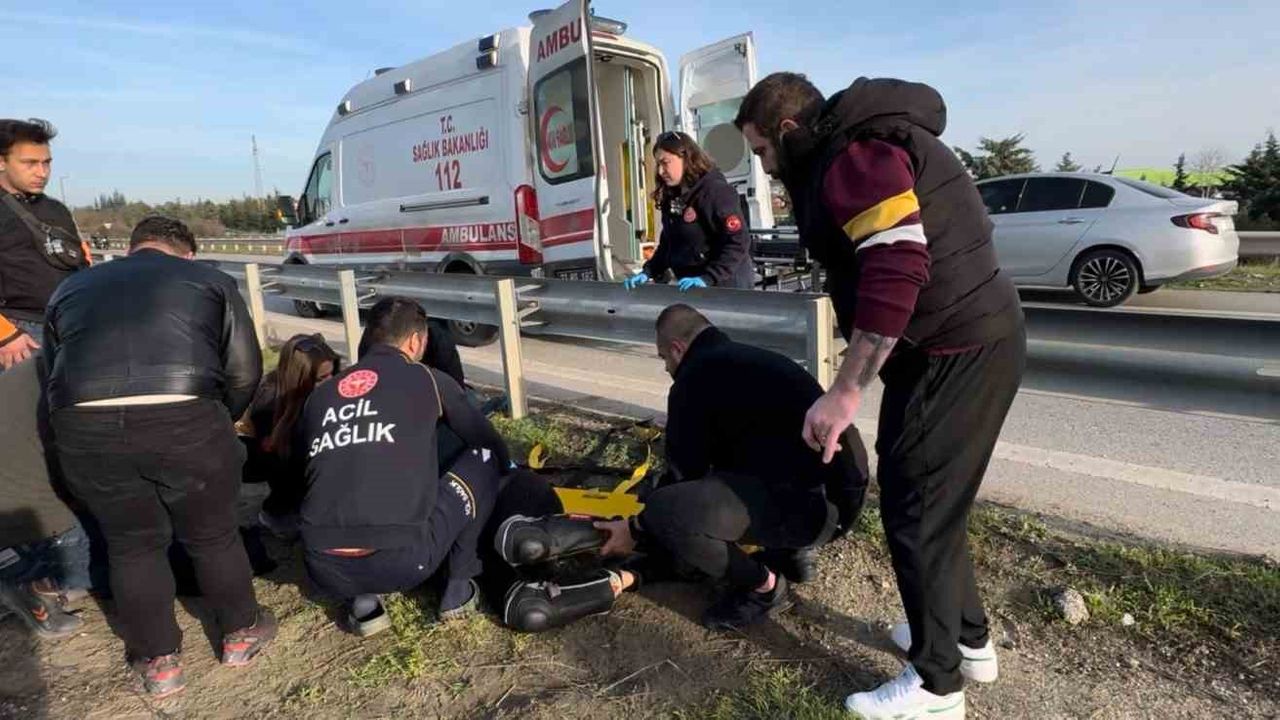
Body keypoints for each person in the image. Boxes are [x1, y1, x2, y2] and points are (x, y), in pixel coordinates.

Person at [735, 74, 1026, 718]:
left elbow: (896, 267)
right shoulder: (866, 141)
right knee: (932, 503)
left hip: (954, 350)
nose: (765, 167)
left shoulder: (857, 157)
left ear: (788, 130)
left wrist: (845, 392)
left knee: (915, 510)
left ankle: (937, 685)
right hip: (967, 341)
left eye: (762, 151)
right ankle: (966, 640)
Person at [503, 304, 869, 631]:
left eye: (664, 358)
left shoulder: (694, 379)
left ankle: (764, 587)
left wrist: (636, 528)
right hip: (841, 499)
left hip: (809, 511)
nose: (666, 367)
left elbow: (683, 483)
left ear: (678, 348)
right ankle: (790, 551)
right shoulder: (751, 360)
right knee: (744, 476)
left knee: (667, 510)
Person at [43, 216, 275, 698]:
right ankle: (240, 632)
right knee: (212, 535)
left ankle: (159, 661)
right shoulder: (209, 280)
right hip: (185, 413)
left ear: (133, 248)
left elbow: (53, 372)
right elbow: (244, 371)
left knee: (130, 545)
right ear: (187, 253)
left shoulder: (70, 288)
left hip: (84, 425)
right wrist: (219, 418)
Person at [300, 297, 510, 636]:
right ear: (415, 341)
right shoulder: (428, 379)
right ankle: (458, 588)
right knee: (483, 459)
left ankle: (363, 602)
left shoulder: (320, 396)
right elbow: (485, 440)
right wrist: (510, 471)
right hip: (403, 562)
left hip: (323, 566)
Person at [0, 358, 100, 638]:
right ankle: (33, 584)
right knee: (132, 553)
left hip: (13, 490)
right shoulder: (88, 388)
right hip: (18, 510)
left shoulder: (49, 360)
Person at [0, 118, 90, 371]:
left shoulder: (56, 209)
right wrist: (5, 335)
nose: (42, 173)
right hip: (17, 337)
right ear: (1, 162)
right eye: (30, 163)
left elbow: (81, 261)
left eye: (46, 163)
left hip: (69, 326)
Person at [622, 131, 754, 292]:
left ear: (685, 158)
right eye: (658, 164)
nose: (660, 171)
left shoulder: (715, 192)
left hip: (726, 286)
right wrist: (648, 271)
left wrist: (709, 277)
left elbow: (738, 241)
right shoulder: (674, 197)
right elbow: (669, 244)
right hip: (691, 285)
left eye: (665, 163)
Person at [238, 333, 341, 536]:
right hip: (286, 482)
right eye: (321, 379)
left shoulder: (326, 391)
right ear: (299, 378)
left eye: (333, 374)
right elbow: (273, 451)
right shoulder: (270, 398)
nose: (330, 382)